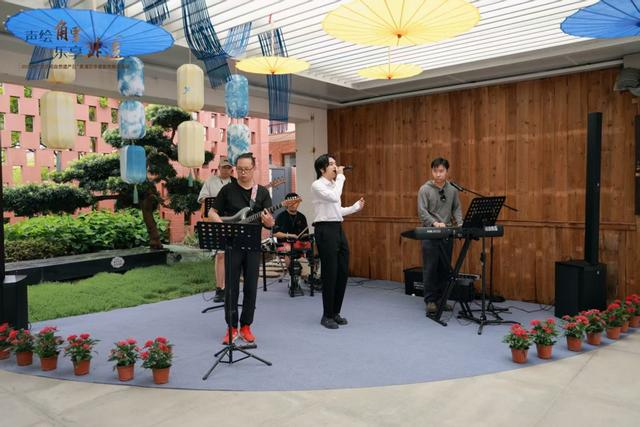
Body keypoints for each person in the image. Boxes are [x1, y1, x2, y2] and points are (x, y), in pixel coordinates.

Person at [208, 153, 275, 344]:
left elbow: (270, 222)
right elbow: (212, 212)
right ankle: (231, 328)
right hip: (232, 244)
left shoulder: (262, 193)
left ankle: (246, 326)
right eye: (239, 169)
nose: (243, 172)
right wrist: (221, 225)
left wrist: (269, 222)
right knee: (231, 288)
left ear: (254, 168)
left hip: (253, 245)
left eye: (246, 169)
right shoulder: (228, 190)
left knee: (251, 287)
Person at [311, 154, 365, 329]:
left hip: (337, 228)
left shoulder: (333, 186)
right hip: (325, 230)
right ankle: (326, 315)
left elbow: (336, 210)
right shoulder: (317, 185)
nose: (335, 166)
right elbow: (334, 197)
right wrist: (341, 177)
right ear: (322, 169)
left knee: (342, 272)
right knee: (330, 273)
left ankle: (335, 312)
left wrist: (355, 208)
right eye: (331, 164)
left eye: (335, 163)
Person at [417, 157, 463, 315]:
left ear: (447, 172)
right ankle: (430, 301)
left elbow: (456, 208)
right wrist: (434, 223)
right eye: (435, 171)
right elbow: (422, 211)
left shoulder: (452, 190)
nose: (438, 174)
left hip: (447, 234)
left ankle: (441, 299)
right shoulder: (425, 189)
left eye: (441, 171)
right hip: (430, 234)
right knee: (430, 268)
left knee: (444, 268)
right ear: (432, 171)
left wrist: (460, 223)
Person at [198, 157, 235, 303]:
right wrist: (216, 201)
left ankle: (231, 287)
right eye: (223, 167)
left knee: (233, 255)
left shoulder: (236, 183)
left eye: (228, 167)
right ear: (219, 168)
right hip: (216, 221)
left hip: (233, 222)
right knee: (220, 254)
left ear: (232, 169)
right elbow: (202, 198)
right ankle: (220, 289)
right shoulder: (210, 181)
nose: (226, 170)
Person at [273, 193, 309, 267]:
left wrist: (304, 239)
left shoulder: (302, 217)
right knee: (289, 249)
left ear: (298, 203)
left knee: (314, 246)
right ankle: (290, 271)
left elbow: (306, 233)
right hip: (284, 244)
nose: (293, 204)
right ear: (286, 204)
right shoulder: (280, 216)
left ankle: (311, 271)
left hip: (299, 243)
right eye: (291, 202)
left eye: (295, 202)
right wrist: (289, 235)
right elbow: (275, 233)